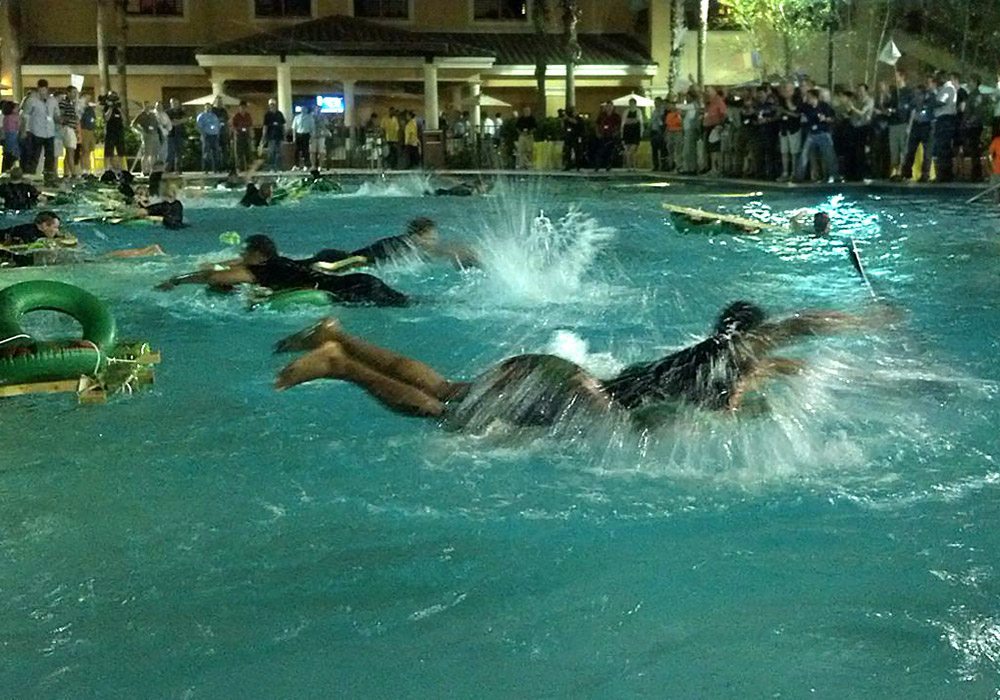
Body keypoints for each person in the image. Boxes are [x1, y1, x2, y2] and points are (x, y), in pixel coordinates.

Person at [272, 302, 889, 431]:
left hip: (546, 372)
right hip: (563, 391)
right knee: (444, 414)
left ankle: (341, 337)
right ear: (746, 341)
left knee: (449, 390)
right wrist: (866, 321)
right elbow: (800, 327)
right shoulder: (724, 365)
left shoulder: (699, 360)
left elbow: (775, 363)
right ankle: (341, 365)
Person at [155, 233, 409, 307]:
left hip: (356, 289)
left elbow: (212, 277)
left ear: (258, 255)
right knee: (412, 303)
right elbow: (237, 265)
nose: (241, 255)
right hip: (359, 281)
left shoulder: (261, 271)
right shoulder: (276, 263)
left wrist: (177, 280)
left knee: (409, 306)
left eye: (245, 251)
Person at [305, 217, 478, 269]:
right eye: (431, 238)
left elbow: (440, 252)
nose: (435, 242)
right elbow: (360, 260)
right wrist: (331, 268)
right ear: (417, 237)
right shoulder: (400, 246)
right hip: (333, 258)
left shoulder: (413, 249)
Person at [795, 89, 838, 182]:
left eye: (809, 97)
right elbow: (797, 111)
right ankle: (799, 177)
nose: (808, 99)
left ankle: (834, 175)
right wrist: (803, 101)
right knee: (804, 155)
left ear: (815, 97)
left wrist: (825, 119)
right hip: (811, 133)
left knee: (829, 155)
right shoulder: (806, 106)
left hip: (823, 133)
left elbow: (833, 118)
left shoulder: (824, 106)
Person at [21, 79, 59, 181]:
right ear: (38, 89)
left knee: (50, 156)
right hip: (36, 132)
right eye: (41, 89)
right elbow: (25, 116)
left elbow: (56, 114)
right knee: (35, 155)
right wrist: (24, 130)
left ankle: (48, 176)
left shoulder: (53, 101)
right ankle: (31, 176)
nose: (43, 92)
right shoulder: (32, 100)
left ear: (47, 89)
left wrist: (59, 119)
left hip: (50, 132)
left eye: (44, 89)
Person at [132, 102, 162, 175]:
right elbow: (133, 124)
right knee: (146, 153)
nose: (148, 107)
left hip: (154, 135)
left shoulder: (153, 115)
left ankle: (152, 169)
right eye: (146, 106)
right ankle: (144, 170)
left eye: (149, 106)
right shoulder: (141, 115)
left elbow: (157, 124)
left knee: (154, 154)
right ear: (144, 106)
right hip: (146, 135)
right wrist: (141, 131)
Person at [57, 86, 80, 179]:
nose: (75, 95)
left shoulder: (71, 104)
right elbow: (61, 115)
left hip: (71, 128)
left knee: (69, 152)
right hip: (67, 128)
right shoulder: (64, 103)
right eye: (73, 92)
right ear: (68, 93)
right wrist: (69, 120)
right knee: (70, 151)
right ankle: (74, 174)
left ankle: (66, 173)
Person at [102, 91, 126, 176]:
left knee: (121, 152)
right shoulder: (106, 107)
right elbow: (106, 118)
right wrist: (111, 108)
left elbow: (124, 119)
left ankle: (121, 169)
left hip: (119, 131)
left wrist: (119, 109)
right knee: (108, 152)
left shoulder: (118, 108)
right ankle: (107, 169)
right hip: (110, 132)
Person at [196, 103, 222, 173]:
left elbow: (218, 125)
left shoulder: (214, 115)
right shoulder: (201, 116)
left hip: (214, 136)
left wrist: (218, 133)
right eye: (207, 107)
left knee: (215, 153)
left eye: (209, 107)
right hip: (207, 136)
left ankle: (216, 169)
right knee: (206, 153)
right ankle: (205, 169)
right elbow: (199, 126)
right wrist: (203, 134)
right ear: (204, 108)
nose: (208, 108)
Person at [262, 98, 287, 171]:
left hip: (279, 136)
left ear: (275, 105)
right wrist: (264, 136)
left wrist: (284, 135)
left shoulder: (279, 114)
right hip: (271, 137)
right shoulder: (267, 115)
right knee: (271, 152)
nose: (272, 106)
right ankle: (271, 167)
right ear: (269, 105)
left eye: (273, 105)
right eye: (271, 105)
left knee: (279, 152)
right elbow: (265, 126)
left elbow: (283, 126)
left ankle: (278, 167)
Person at [621, 98, 644, 171]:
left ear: (635, 104)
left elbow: (638, 120)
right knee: (628, 149)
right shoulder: (626, 111)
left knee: (633, 150)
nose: (631, 104)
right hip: (627, 132)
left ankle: (633, 166)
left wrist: (630, 121)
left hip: (635, 132)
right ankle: (629, 166)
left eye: (632, 103)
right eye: (630, 103)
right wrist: (632, 121)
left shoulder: (638, 111)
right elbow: (624, 122)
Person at [165, 98, 186, 174]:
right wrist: (178, 122)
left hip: (180, 134)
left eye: (176, 103)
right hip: (171, 135)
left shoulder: (181, 111)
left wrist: (177, 122)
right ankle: (168, 169)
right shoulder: (167, 112)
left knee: (179, 152)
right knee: (170, 152)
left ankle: (178, 169)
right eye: (173, 103)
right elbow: (168, 122)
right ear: (171, 103)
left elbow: (185, 119)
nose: (175, 104)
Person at [231, 101, 253, 172]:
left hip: (246, 135)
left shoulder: (248, 115)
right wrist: (237, 131)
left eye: (244, 107)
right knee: (239, 152)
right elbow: (233, 126)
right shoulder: (236, 116)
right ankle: (239, 167)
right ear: (239, 108)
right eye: (242, 107)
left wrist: (251, 134)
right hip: (239, 135)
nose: (243, 109)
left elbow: (250, 125)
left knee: (247, 151)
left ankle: (247, 166)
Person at [78, 94, 97, 176]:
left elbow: (94, 119)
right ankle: (84, 169)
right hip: (83, 130)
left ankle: (88, 169)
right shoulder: (81, 108)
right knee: (84, 151)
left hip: (91, 131)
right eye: (86, 97)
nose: (88, 99)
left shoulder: (90, 108)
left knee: (89, 151)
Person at [211, 95, 231, 171]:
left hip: (224, 132)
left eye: (220, 101)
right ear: (215, 102)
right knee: (216, 150)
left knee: (224, 150)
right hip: (215, 133)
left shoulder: (224, 110)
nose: (219, 103)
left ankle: (225, 166)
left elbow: (227, 120)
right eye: (218, 101)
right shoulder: (213, 110)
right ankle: (216, 167)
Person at [1, 100, 20, 172]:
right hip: (13, 138)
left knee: (7, 158)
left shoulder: (5, 117)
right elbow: (19, 127)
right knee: (14, 159)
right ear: (12, 109)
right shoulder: (15, 117)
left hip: (7, 138)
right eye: (16, 108)